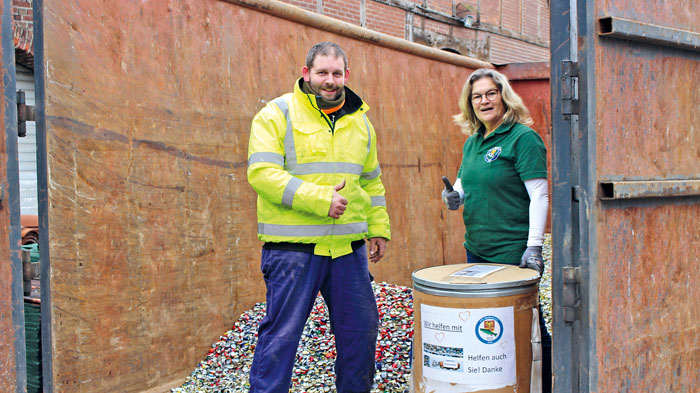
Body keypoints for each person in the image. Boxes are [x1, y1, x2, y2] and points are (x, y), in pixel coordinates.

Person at [246, 42, 391, 393]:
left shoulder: (361, 123)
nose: (329, 80)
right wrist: (319, 199)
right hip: (294, 251)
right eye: (322, 73)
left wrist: (378, 228)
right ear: (306, 73)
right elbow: (262, 173)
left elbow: (371, 181)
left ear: (346, 75)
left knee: (361, 330)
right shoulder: (276, 114)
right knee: (281, 338)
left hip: (347, 250)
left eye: (336, 73)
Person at [441, 68, 552, 393]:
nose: (484, 100)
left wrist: (534, 247)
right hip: (476, 248)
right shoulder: (474, 142)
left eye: (490, 93)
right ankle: (497, 385)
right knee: (488, 326)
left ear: (504, 96)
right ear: (470, 103)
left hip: (512, 251)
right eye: (477, 96)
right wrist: (453, 196)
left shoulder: (523, 139)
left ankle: (541, 384)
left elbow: (539, 196)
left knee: (526, 325)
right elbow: (463, 187)